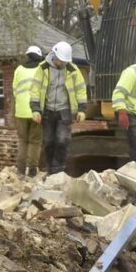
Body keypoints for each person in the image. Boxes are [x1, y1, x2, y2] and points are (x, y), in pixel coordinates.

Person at [29, 41, 87, 175]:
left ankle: (58, 170)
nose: (62, 63)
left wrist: (82, 109)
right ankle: (50, 169)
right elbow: (35, 89)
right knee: (48, 141)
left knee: (62, 141)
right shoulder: (43, 68)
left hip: (65, 111)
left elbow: (81, 89)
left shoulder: (72, 70)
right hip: (47, 111)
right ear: (54, 55)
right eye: (60, 60)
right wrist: (35, 109)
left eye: (64, 61)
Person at [12, 45, 44, 177]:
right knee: (35, 142)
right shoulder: (42, 69)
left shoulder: (19, 69)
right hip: (36, 111)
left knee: (22, 141)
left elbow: (15, 90)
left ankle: (20, 169)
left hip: (21, 112)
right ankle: (32, 170)